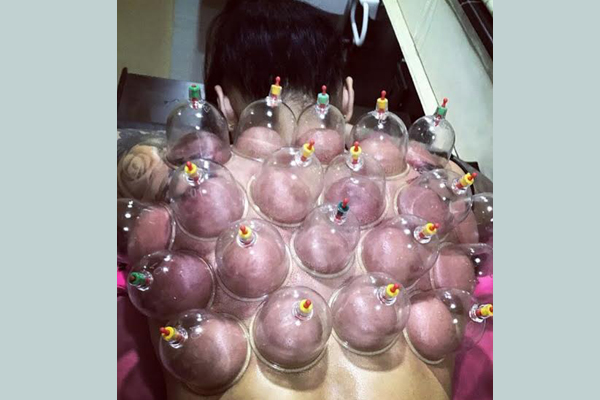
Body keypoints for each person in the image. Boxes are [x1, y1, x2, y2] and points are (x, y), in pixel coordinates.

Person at [204, 0, 355, 132]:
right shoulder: (363, 150)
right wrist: (349, 130)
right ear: (346, 100)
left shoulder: (202, 154)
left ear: (226, 109)